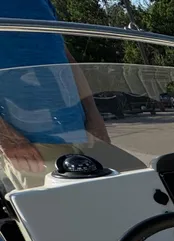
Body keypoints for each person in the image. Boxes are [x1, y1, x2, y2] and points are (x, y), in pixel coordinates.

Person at [0, 1, 145, 190]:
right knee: (62, 208)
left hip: (84, 133)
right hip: (30, 144)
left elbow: (66, 57)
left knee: (142, 189)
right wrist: (6, 137)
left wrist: (94, 116)